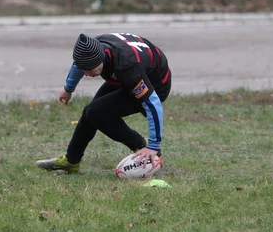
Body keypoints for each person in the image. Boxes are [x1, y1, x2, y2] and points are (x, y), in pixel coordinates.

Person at [37, 33, 172, 174]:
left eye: (90, 70)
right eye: (84, 70)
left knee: (96, 112)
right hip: (128, 75)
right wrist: (68, 88)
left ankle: (140, 146)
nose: (87, 74)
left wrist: (153, 145)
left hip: (156, 84)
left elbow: (153, 103)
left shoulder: (126, 66)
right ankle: (71, 161)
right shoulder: (93, 47)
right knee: (90, 112)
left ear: (101, 59)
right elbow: (79, 63)